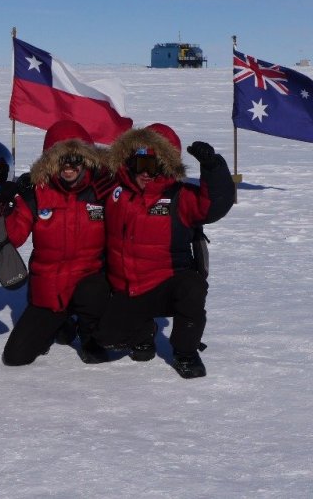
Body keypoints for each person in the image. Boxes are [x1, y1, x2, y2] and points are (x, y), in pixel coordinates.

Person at [95, 123, 235, 378]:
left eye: (156, 166)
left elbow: (214, 206)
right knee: (107, 339)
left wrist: (213, 168)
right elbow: (78, 188)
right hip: (127, 288)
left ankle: (185, 352)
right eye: (141, 165)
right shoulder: (114, 191)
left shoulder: (180, 197)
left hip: (166, 283)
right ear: (129, 161)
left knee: (192, 288)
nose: (147, 174)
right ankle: (143, 333)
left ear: (167, 167)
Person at [0, 119, 113, 366]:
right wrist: (5, 207)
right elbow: (15, 237)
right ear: (50, 162)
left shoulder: (102, 191)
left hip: (89, 287)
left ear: (86, 159)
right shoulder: (36, 194)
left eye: (75, 160)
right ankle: (61, 322)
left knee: (94, 290)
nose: (68, 167)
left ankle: (89, 333)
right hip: (49, 292)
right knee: (16, 357)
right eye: (61, 160)